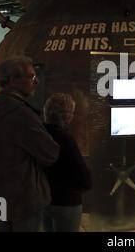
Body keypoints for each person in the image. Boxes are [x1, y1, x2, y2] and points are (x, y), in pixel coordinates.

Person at [0, 56, 60, 232]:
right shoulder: (21, 114)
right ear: (13, 80)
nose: (36, 81)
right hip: (23, 200)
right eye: (31, 77)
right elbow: (50, 153)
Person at [42, 93, 91, 232]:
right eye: (72, 112)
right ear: (66, 115)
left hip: (46, 200)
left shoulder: (41, 134)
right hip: (67, 202)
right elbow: (83, 176)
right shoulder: (65, 139)